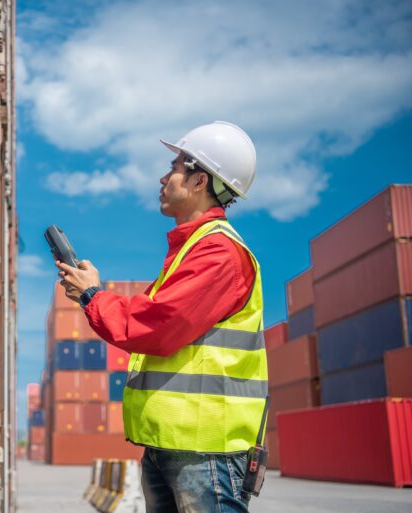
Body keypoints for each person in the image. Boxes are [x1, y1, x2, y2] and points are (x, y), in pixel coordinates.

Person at [56, 121, 267, 513]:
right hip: (173, 442)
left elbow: (156, 326)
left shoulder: (219, 253)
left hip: (204, 448)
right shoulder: (192, 250)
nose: (163, 177)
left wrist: (92, 294)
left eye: (175, 167)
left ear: (200, 180)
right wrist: (91, 296)